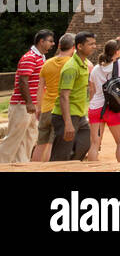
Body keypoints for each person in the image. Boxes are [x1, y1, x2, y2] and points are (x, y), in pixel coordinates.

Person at [0, 29, 55, 163]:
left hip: (30, 105)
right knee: (14, 137)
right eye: (50, 41)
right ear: (41, 41)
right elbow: (22, 81)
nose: (53, 44)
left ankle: (21, 164)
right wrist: (29, 102)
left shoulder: (40, 58)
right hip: (22, 105)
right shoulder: (29, 57)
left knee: (29, 137)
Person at [86, 35, 120, 162]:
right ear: (117, 52)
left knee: (95, 144)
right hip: (113, 108)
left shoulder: (95, 69)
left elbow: (92, 91)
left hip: (95, 109)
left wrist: (92, 107)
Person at [52, 31, 96, 161]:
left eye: (94, 44)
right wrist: (68, 123)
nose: (94, 46)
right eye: (90, 44)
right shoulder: (71, 67)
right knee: (61, 155)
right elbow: (64, 96)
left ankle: (71, 165)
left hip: (79, 114)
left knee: (85, 143)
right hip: (66, 115)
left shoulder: (84, 63)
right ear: (79, 46)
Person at [33, 34, 75, 162]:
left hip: (46, 108)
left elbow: (40, 88)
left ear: (59, 46)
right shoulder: (72, 64)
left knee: (40, 144)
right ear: (73, 47)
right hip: (59, 110)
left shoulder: (47, 63)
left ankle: (31, 169)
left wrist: (38, 108)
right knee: (52, 145)